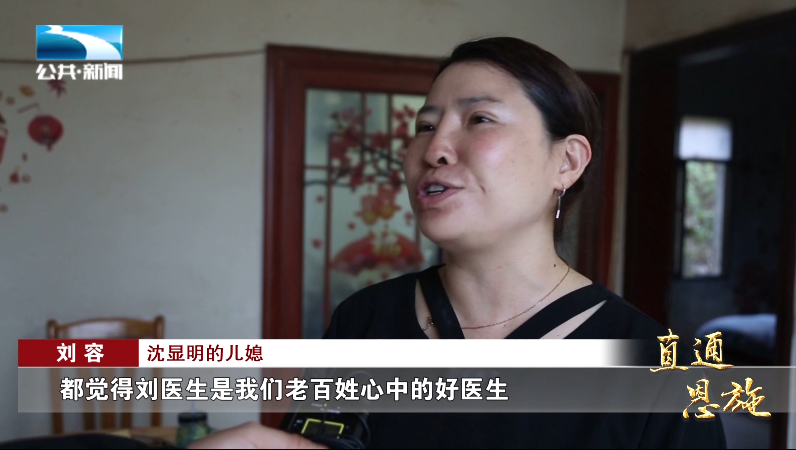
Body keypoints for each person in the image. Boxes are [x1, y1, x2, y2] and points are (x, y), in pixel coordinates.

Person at [190, 37, 727, 449]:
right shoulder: (364, 321)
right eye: (425, 126)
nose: (435, 149)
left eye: (479, 119)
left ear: (566, 161)